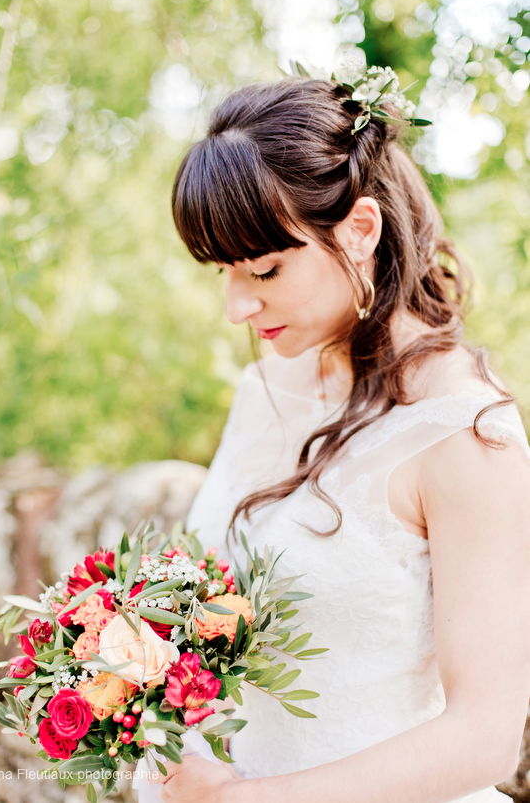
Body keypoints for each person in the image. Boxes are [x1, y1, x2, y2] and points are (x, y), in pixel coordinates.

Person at [156, 64, 530, 803]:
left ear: (360, 230)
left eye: (262, 269)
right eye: (223, 271)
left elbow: (485, 735)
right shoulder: (266, 385)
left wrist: (241, 801)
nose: (236, 306)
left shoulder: (464, 432)